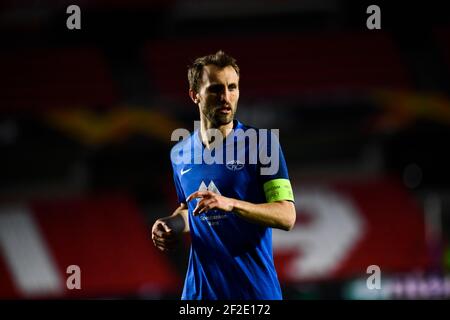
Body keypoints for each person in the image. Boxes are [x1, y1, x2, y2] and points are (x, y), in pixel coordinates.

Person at [151, 50, 296, 300]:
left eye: (232, 87)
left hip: (253, 294)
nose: (226, 97)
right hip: (198, 296)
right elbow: (190, 210)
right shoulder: (180, 153)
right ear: (194, 95)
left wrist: (231, 203)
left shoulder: (263, 145)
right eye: (215, 89)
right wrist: (170, 225)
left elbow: (286, 215)